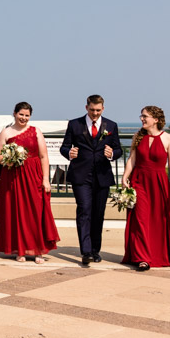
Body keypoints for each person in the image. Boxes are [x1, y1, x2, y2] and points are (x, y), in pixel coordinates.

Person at [59, 94, 123, 267]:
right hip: (81, 175)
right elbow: (64, 146)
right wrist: (68, 153)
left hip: (102, 176)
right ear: (86, 107)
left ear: (103, 108)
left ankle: (95, 249)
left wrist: (112, 154)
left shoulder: (111, 125)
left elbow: (119, 149)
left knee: (98, 213)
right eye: (92, 110)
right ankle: (86, 252)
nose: (95, 113)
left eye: (98, 110)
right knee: (84, 210)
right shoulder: (74, 124)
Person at [0, 102, 60, 263]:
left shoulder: (36, 131)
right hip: (13, 177)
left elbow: (44, 156)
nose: (23, 118)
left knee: (36, 212)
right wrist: (8, 160)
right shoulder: (6, 132)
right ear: (14, 113)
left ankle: (38, 250)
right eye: (21, 114)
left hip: (34, 175)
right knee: (16, 212)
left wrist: (46, 179)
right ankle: (20, 250)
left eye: (26, 115)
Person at [121, 106, 170, 270]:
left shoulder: (168, 139)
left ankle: (157, 254)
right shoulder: (137, 136)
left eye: (145, 116)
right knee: (140, 219)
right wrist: (124, 177)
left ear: (156, 120)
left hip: (158, 182)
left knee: (158, 219)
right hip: (139, 181)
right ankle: (142, 258)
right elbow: (132, 159)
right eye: (141, 116)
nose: (142, 119)